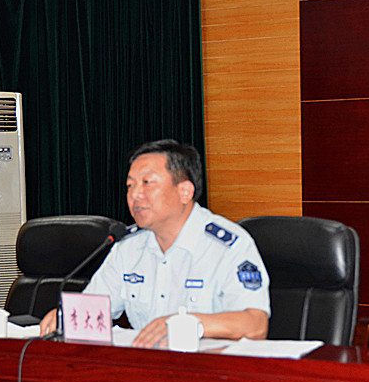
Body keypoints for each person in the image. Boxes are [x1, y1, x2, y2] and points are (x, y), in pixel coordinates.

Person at [39, 139, 270, 348]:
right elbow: (94, 307)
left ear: (185, 191)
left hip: (211, 370)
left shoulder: (228, 245)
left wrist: (189, 324)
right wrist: (66, 317)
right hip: (146, 367)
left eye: (147, 182)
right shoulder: (128, 246)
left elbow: (256, 324)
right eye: (130, 185)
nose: (135, 195)